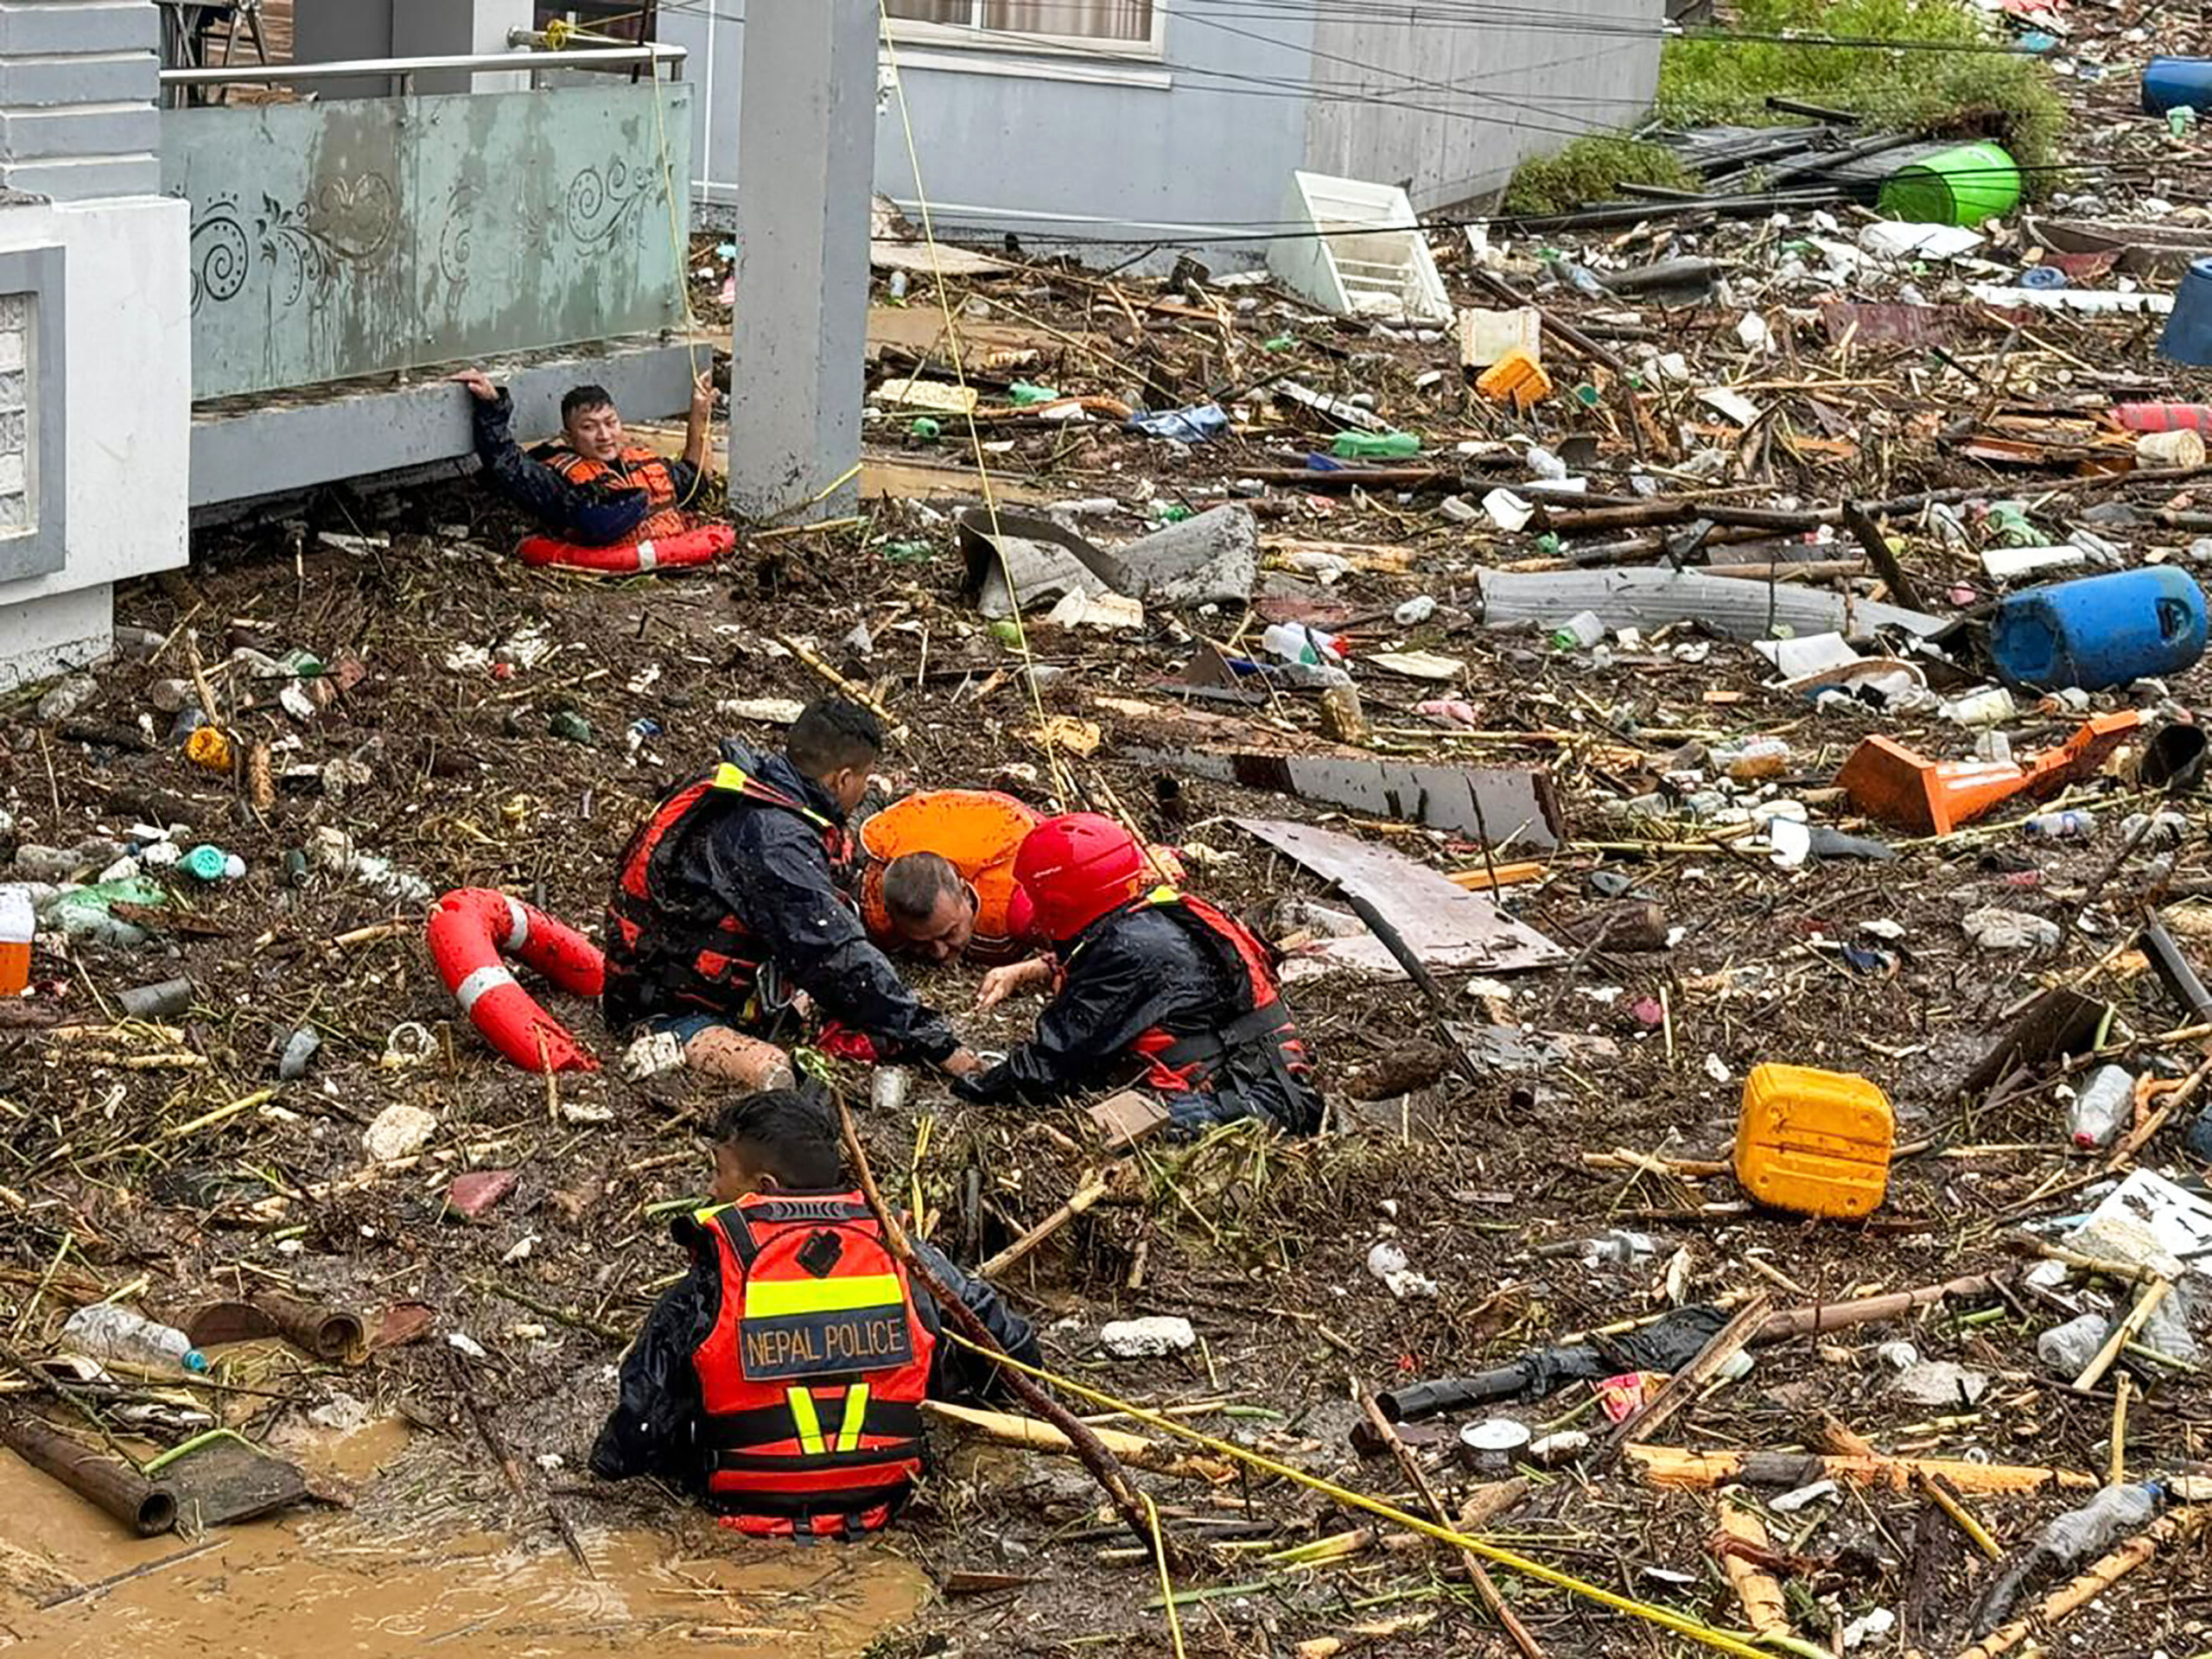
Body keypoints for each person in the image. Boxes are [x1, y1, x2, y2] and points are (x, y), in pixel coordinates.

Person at [590, 1089, 1039, 1536]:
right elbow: (1013, 1351)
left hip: (742, 1512)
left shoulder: (715, 1269)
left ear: (766, 1188)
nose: (711, 1188)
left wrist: (606, 1466)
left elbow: (643, 1413)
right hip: (883, 1505)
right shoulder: (899, 1249)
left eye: (719, 1172)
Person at [602, 699, 981, 1090]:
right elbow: (833, 951)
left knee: (836, 1003)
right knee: (778, 1072)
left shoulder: (754, 787)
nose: (864, 788)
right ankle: (668, 1033)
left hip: (651, 967)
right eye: (865, 779)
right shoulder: (774, 839)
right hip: (666, 1001)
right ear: (843, 779)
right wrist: (938, 1043)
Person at [956, 814, 1322, 1135]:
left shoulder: (1124, 953)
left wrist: (973, 1084)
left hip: (1251, 1101)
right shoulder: (1153, 914)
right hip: (1264, 1070)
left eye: (1037, 897)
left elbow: (1049, 1064)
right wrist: (1028, 970)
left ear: (1061, 904)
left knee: (1111, 1127)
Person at [452, 366, 714, 548]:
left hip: (673, 556)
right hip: (610, 572)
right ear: (568, 437)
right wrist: (492, 404)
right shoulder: (559, 482)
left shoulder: (644, 462)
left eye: (610, 423)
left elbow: (697, 476)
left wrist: (700, 415)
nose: (604, 435)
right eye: (589, 427)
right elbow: (506, 462)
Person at [856, 789, 1043, 965]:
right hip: (918, 825)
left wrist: (1030, 969)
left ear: (965, 893)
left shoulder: (1020, 901)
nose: (940, 953)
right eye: (919, 942)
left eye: (950, 933)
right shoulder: (875, 905)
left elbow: (1070, 950)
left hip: (996, 823)